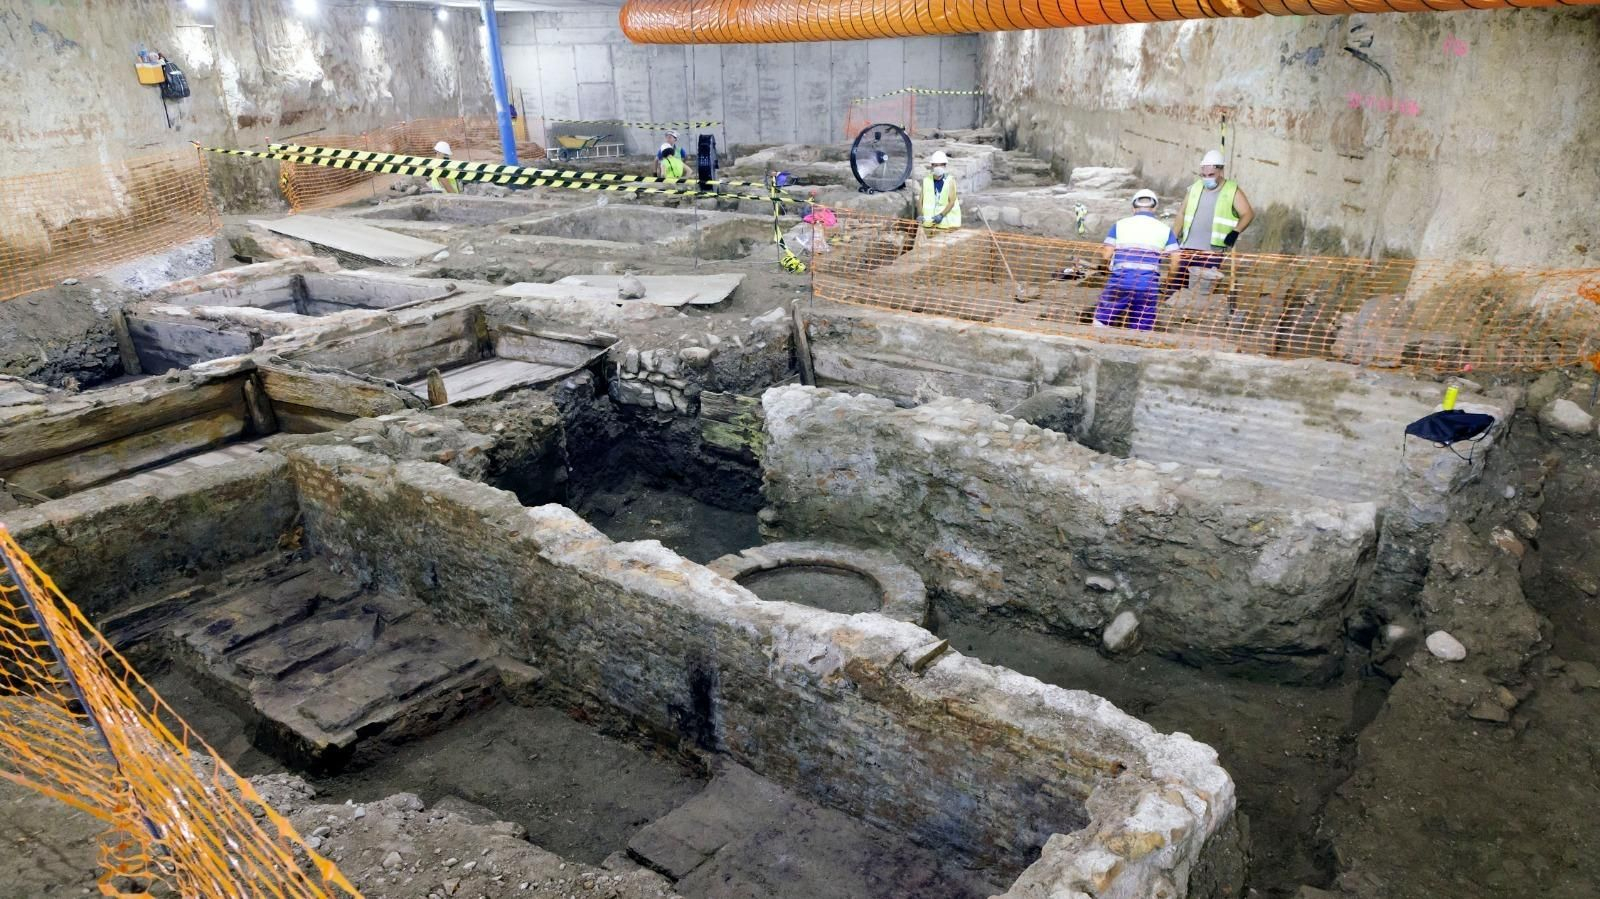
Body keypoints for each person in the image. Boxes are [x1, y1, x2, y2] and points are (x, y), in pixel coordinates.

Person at [1166, 149, 1253, 304]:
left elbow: (1248, 214)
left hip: (1212, 251)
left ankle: (1193, 319)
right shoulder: (1195, 188)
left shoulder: (1232, 190)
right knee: (1176, 286)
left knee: (1200, 292)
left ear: (1220, 171)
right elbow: (1181, 214)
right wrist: (1172, 238)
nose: (1207, 179)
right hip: (1187, 247)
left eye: (1211, 175)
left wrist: (1235, 231)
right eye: (1204, 175)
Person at [1093, 189, 1180, 331]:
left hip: (1120, 280)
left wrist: (1105, 269)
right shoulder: (1165, 229)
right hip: (1148, 283)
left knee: (1102, 320)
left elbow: (1106, 254)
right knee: (1141, 326)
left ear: (1133, 207)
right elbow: (1176, 259)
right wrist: (1169, 281)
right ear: (1155, 207)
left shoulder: (1120, 225)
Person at [918, 151, 961, 230]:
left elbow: (952, 202)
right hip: (928, 222)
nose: (938, 167)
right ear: (932, 166)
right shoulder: (926, 180)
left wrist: (941, 215)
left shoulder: (949, 180)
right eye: (936, 165)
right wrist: (920, 214)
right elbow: (920, 200)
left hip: (945, 223)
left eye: (941, 165)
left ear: (945, 165)